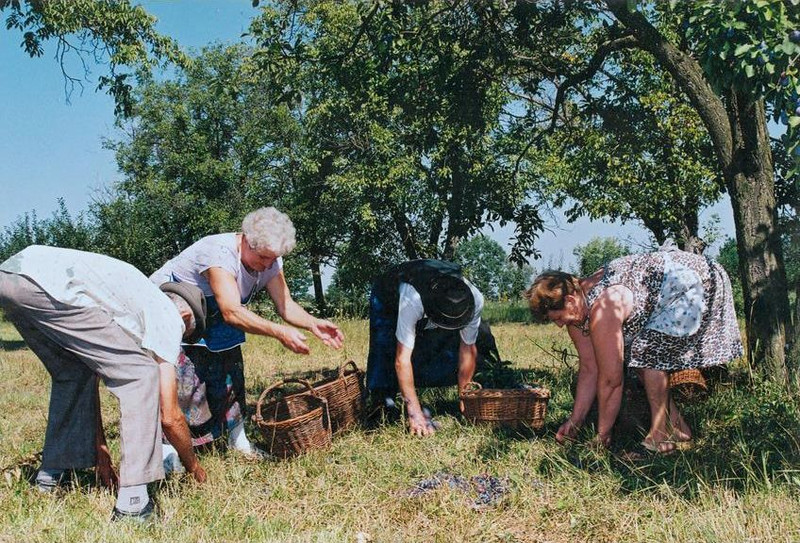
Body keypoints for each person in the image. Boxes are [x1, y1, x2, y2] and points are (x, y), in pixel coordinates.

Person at [0, 245, 208, 521]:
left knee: (73, 374)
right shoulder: (167, 314)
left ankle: (51, 477)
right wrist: (194, 468)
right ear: (185, 317)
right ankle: (133, 504)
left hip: (14, 277)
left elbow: (92, 373)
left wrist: (101, 453)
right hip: (49, 285)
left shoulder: (130, 301)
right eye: (187, 334)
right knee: (141, 375)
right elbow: (169, 416)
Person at [150, 207, 344, 457]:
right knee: (186, 382)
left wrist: (313, 323)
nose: (267, 266)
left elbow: (285, 305)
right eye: (263, 258)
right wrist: (280, 333)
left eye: (273, 259)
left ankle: (238, 442)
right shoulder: (219, 253)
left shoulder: (270, 260)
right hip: (175, 311)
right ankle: (171, 451)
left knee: (231, 372)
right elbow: (231, 310)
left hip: (215, 312)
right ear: (246, 241)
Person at [524, 245, 743, 453]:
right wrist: (575, 421)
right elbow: (590, 370)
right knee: (640, 356)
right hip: (673, 288)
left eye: (559, 317)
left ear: (570, 300)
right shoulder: (578, 315)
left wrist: (602, 435)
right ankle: (678, 428)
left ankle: (661, 435)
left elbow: (611, 380)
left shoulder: (603, 308)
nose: (560, 324)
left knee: (645, 352)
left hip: (696, 280)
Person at [366, 259, 497, 437]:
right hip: (387, 297)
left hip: (431, 302)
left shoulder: (475, 300)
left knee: (449, 345)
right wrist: (415, 414)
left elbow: (468, 350)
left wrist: (464, 401)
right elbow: (402, 359)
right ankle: (382, 402)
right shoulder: (412, 300)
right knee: (385, 344)